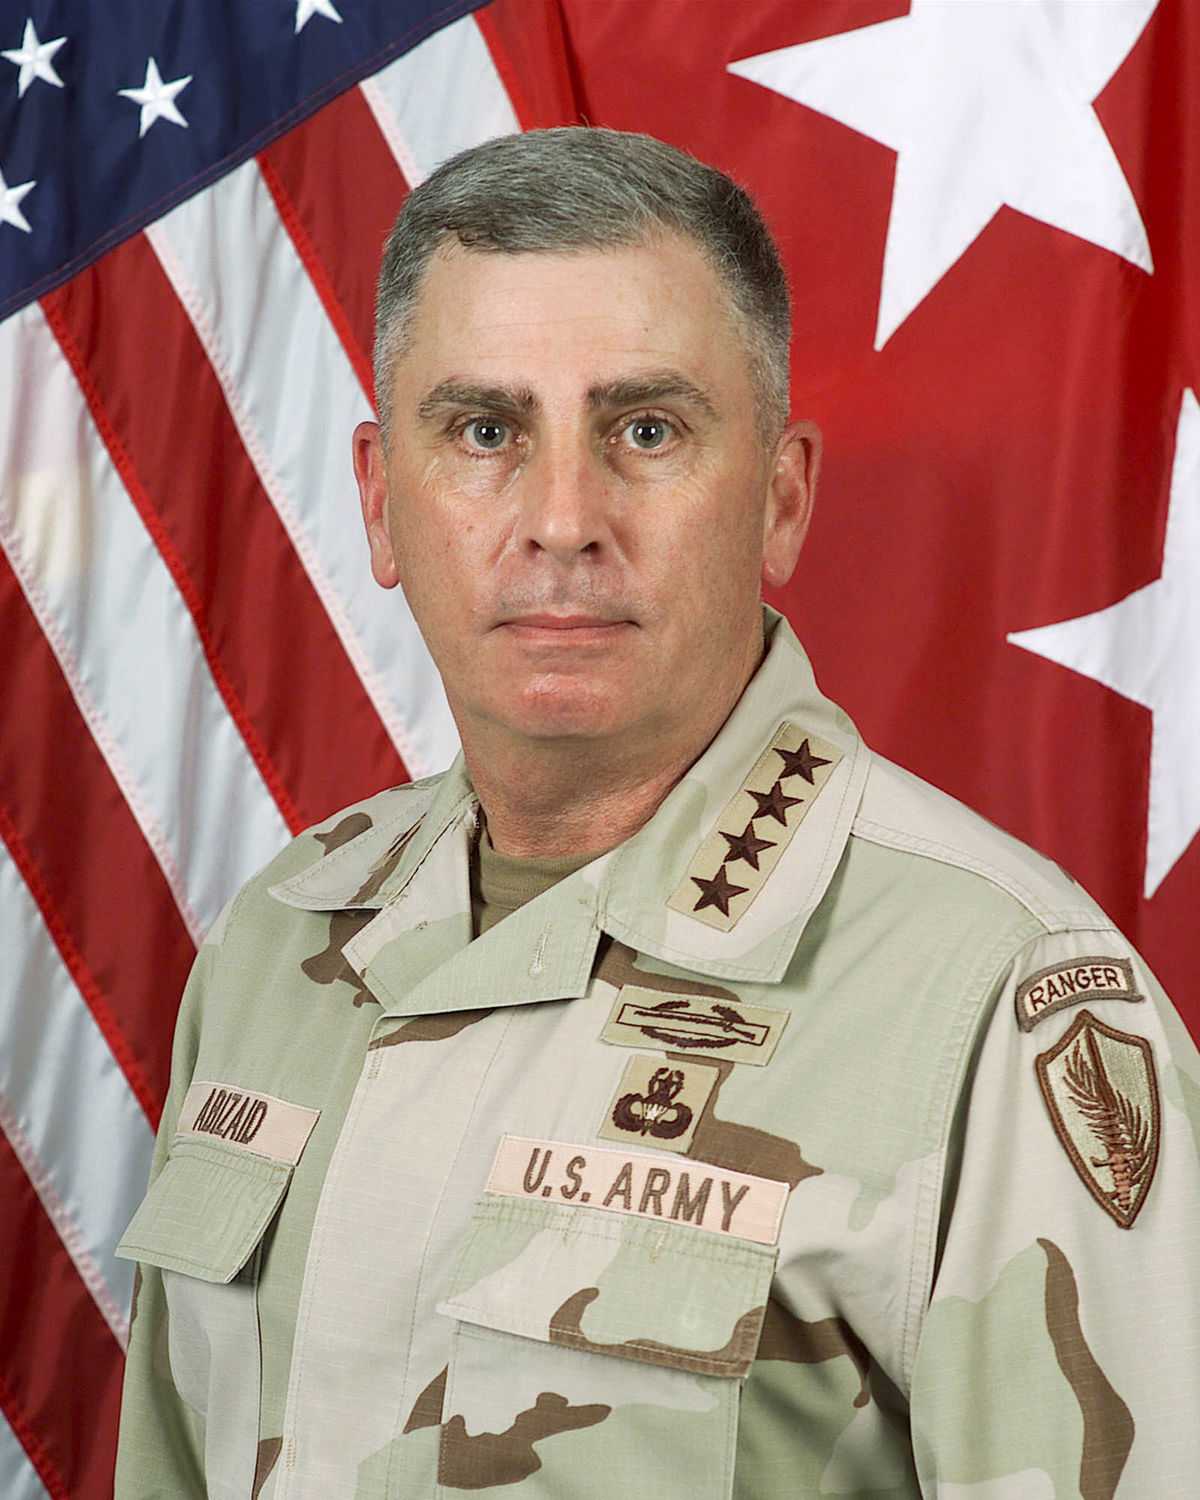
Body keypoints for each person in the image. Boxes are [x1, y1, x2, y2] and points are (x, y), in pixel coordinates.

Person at [114, 127, 1200, 1499]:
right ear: (381, 504)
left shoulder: (991, 996)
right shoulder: (278, 946)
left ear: (782, 501)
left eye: (646, 430)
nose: (563, 519)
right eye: (486, 432)